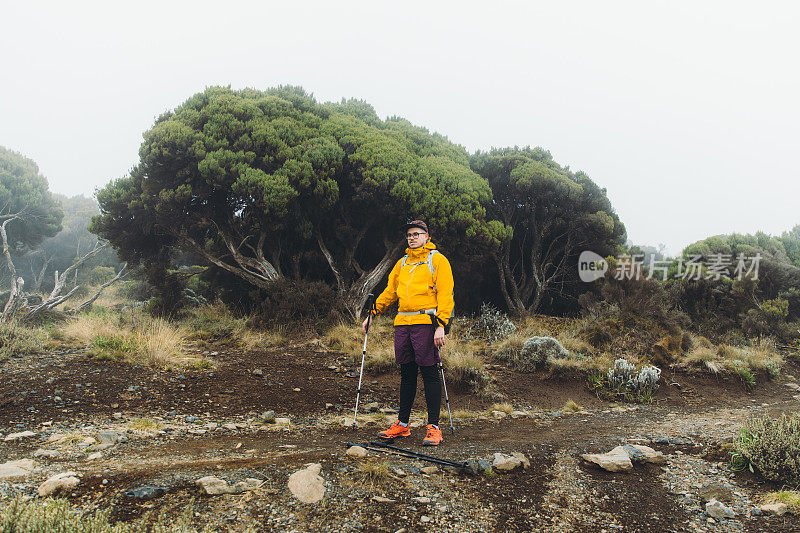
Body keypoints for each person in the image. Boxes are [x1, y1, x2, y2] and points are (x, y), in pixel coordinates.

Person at [362, 220, 454, 446]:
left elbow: (445, 294)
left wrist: (441, 324)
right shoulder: (402, 263)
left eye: (416, 234)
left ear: (426, 236)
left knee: (430, 372)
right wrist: (372, 313)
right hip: (403, 322)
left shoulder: (438, 260)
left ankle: (433, 427)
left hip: (426, 322)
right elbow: (390, 292)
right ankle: (403, 425)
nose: (412, 238)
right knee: (407, 374)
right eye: (409, 235)